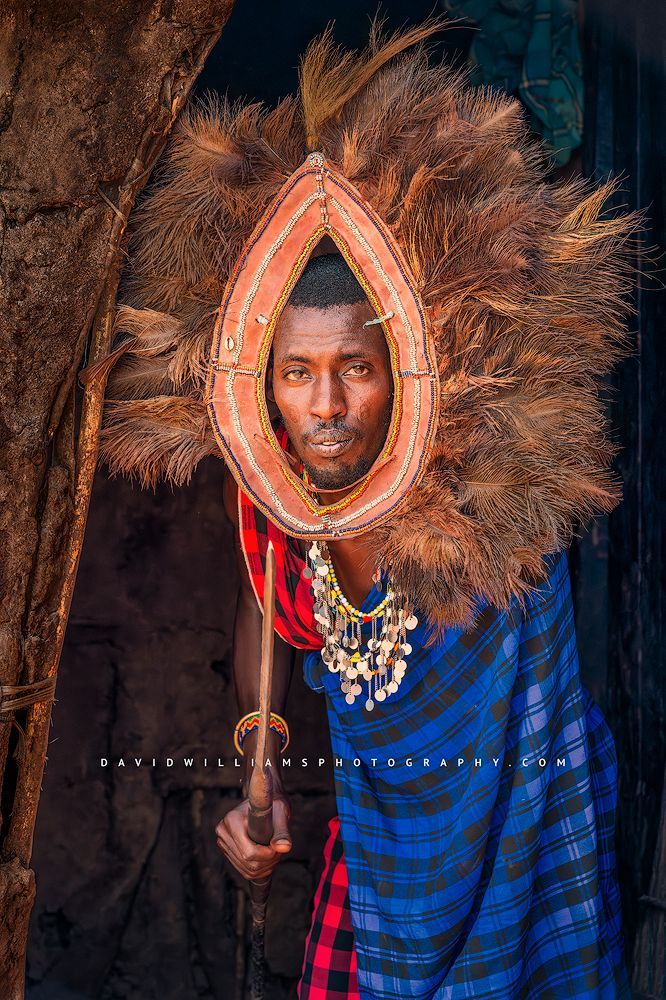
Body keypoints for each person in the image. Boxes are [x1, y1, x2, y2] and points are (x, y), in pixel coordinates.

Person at [90, 20, 640, 998]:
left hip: (515, 853)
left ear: (406, 375)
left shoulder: (487, 505)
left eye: (356, 367)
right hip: (375, 861)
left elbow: (502, 739)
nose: (329, 406)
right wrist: (257, 761)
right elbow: (269, 593)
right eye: (296, 373)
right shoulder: (276, 495)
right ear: (265, 385)